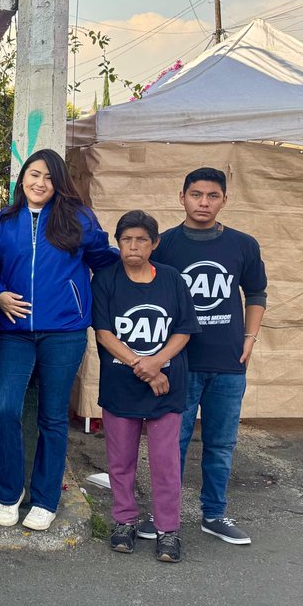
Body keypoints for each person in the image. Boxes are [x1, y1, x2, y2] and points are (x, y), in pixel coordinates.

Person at [0, 149, 118, 531]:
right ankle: (10, 493)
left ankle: (46, 499)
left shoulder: (78, 219)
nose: (39, 182)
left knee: (52, 416)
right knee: (4, 408)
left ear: (58, 181)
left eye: (47, 176)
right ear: (22, 178)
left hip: (65, 330)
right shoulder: (4, 221)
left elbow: (103, 261)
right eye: (33, 174)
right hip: (15, 331)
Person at [144, 167, 267, 546]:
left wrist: (250, 338)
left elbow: (257, 294)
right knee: (172, 443)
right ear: (181, 197)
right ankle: (164, 514)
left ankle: (214, 514)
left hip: (229, 362)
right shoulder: (163, 244)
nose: (203, 202)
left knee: (221, 443)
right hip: (180, 363)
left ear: (224, 200)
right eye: (196, 194)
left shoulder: (243, 245)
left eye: (212, 196)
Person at [92, 210, 199, 563]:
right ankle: (124, 521)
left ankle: (168, 530)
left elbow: (183, 329)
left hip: (167, 388)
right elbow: (105, 333)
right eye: (126, 239)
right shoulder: (106, 280)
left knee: (165, 461)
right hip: (122, 385)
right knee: (120, 461)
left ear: (154, 244)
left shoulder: (171, 279)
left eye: (141, 239)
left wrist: (157, 363)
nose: (133, 246)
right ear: (118, 243)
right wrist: (145, 366)